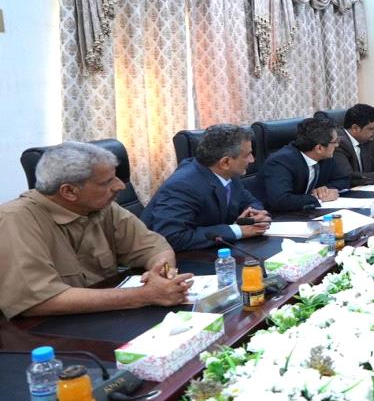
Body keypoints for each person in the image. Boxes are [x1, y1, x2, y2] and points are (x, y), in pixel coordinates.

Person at [0, 142, 192, 319]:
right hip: (46, 331)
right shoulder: (14, 220)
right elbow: (40, 301)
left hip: (104, 317)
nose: (120, 186)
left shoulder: (102, 207)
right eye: (106, 182)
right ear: (69, 191)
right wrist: (145, 295)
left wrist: (163, 273)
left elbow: (155, 247)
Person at [142, 124, 270, 252]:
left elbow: (249, 201)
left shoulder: (229, 174)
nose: (252, 160)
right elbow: (173, 237)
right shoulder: (183, 185)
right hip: (171, 259)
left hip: (211, 251)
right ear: (225, 162)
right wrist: (238, 230)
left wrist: (255, 216)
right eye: (248, 155)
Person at [257, 117, 349, 212]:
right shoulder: (280, 162)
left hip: (308, 212)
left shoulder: (325, 157)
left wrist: (325, 190)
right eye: (335, 142)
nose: (337, 145)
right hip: (279, 216)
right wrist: (317, 198)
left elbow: (343, 180)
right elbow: (281, 201)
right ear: (319, 148)